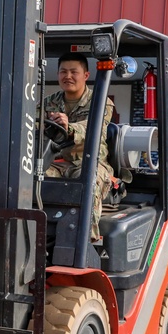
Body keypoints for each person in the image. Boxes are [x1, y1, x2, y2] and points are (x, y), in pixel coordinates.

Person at [43, 52, 114, 242]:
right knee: (33, 178)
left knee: (86, 180)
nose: (68, 76)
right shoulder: (48, 103)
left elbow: (96, 128)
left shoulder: (101, 102)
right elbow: (29, 125)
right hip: (57, 161)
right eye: (63, 72)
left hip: (89, 161)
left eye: (74, 72)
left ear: (86, 75)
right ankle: (35, 231)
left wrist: (70, 127)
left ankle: (84, 241)